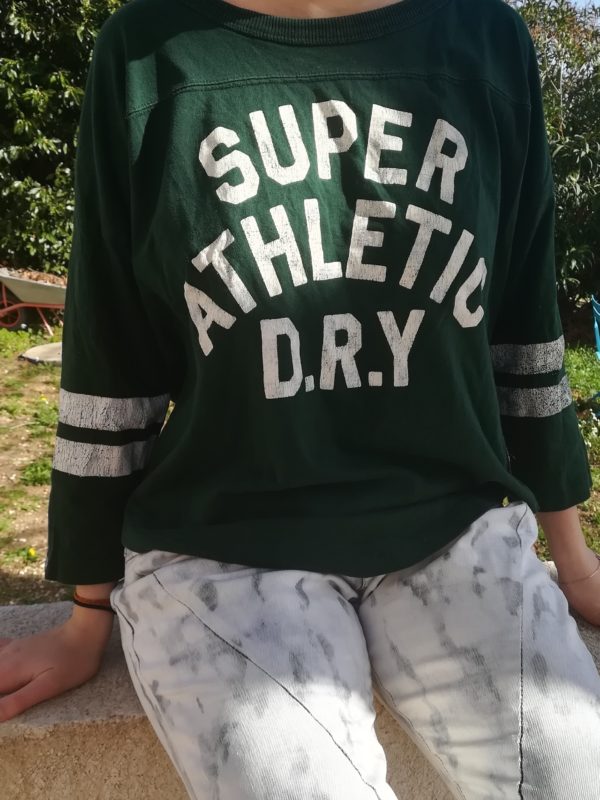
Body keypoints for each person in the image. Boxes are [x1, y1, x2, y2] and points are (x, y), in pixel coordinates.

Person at [1, 0, 599, 796]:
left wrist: (572, 562)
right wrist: (87, 613)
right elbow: (111, 358)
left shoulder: (486, 40)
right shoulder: (146, 56)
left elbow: (523, 328)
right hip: (218, 542)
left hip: (453, 526)